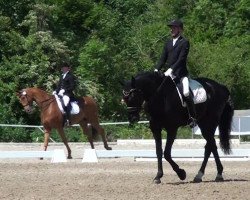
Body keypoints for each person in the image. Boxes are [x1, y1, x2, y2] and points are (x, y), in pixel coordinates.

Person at [154, 19, 196, 127]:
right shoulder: (167, 43)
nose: (172, 29)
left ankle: (192, 117)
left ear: (180, 29)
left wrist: (171, 69)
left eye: (174, 27)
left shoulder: (184, 42)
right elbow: (162, 59)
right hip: (168, 74)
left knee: (186, 92)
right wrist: (156, 69)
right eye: (171, 28)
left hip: (181, 75)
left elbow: (181, 59)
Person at [54, 62, 76, 126]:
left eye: (63, 68)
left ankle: (67, 120)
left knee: (65, 103)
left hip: (68, 94)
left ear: (67, 68)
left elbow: (73, 86)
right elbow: (59, 86)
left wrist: (64, 90)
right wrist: (56, 91)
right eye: (62, 68)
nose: (62, 69)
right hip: (60, 93)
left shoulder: (70, 76)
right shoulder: (61, 76)